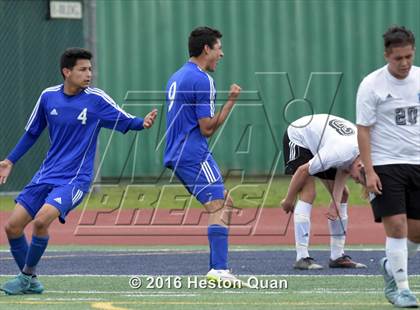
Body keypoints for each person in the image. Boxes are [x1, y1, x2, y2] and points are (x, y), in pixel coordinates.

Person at [0, 48, 158, 295]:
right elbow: (32, 133)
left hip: (75, 179)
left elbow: (124, 119)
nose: (89, 74)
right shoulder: (48, 97)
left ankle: (26, 276)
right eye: (83, 69)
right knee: (12, 227)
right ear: (67, 72)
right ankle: (29, 279)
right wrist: (10, 161)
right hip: (46, 174)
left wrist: (142, 123)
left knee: (41, 221)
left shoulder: (96, 99)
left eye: (90, 69)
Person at [163, 26, 242, 285]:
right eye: (218, 48)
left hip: (177, 152)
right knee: (218, 205)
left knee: (224, 202)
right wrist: (231, 101)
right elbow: (206, 128)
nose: (222, 54)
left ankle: (216, 268)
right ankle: (219, 270)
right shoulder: (202, 79)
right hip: (192, 152)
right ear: (206, 49)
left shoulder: (177, 76)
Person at [356, 25, 419, 307]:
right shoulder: (371, 85)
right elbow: (364, 130)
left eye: (408, 56)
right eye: (398, 58)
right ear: (386, 55)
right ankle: (403, 289)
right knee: (397, 227)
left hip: (417, 163)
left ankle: (391, 267)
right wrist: (369, 171)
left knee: (417, 232)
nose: (404, 63)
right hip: (386, 164)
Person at [281, 114, 367, 270]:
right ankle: (302, 257)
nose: (355, 181)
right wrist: (288, 199)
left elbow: (345, 169)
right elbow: (302, 171)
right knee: (309, 192)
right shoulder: (341, 153)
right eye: (358, 179)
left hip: (322, 143)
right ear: (360, 166)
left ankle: (337, 257)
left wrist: (335, 204)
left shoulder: (360, 154)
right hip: (299, 136)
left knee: (343, 195)